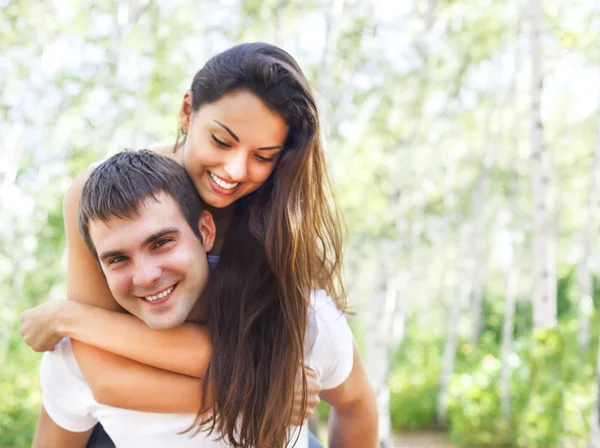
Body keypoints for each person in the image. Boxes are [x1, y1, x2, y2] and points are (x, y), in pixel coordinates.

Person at [20, 43, 378, 447]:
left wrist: (71, 318)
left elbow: (285, 351)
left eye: (263, 156)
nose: (235, 170)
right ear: (187, 110)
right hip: (144, 411)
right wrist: (266, 392)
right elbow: (104, 378)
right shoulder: (104, 199)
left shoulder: (276, 220)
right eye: (222, 142)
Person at [33, 150, 369, 447]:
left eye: (162, 242)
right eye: (118, 259)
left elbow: (357, 406)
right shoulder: (76, 361)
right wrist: (263, 393)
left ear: (205, 232)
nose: (146, 276)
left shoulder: (301, 320)